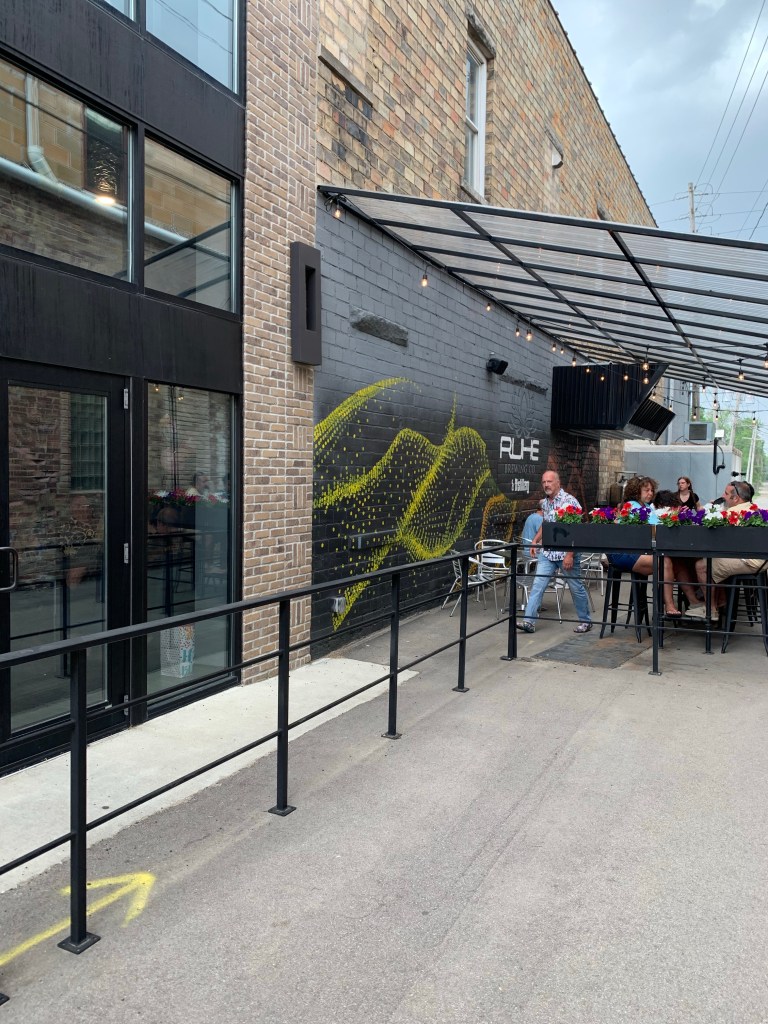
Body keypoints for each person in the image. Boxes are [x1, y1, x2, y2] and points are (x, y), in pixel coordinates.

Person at [518, 470, 593, 634]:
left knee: (575, 587)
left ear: (558, 483)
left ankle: (586, 621)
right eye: (544, 482)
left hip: (566, 553)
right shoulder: (545, 503)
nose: (546, 485)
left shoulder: (569, 501)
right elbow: (546, 524)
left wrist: (570, 554)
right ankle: (528, 622)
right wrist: (535, 540)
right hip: (548, 553)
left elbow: (577, 531)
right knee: (538, 585)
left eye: (549, 481)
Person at [695, 480, 767, 619]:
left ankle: (710, 609)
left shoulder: (733, 512)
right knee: (714, 560)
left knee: (701, 565)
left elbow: (715, 539)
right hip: (761, 560)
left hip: (750, 561)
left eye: (726, 493)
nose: (723, 496)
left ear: (736, 498)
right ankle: (721, 601)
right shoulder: (753, 508)